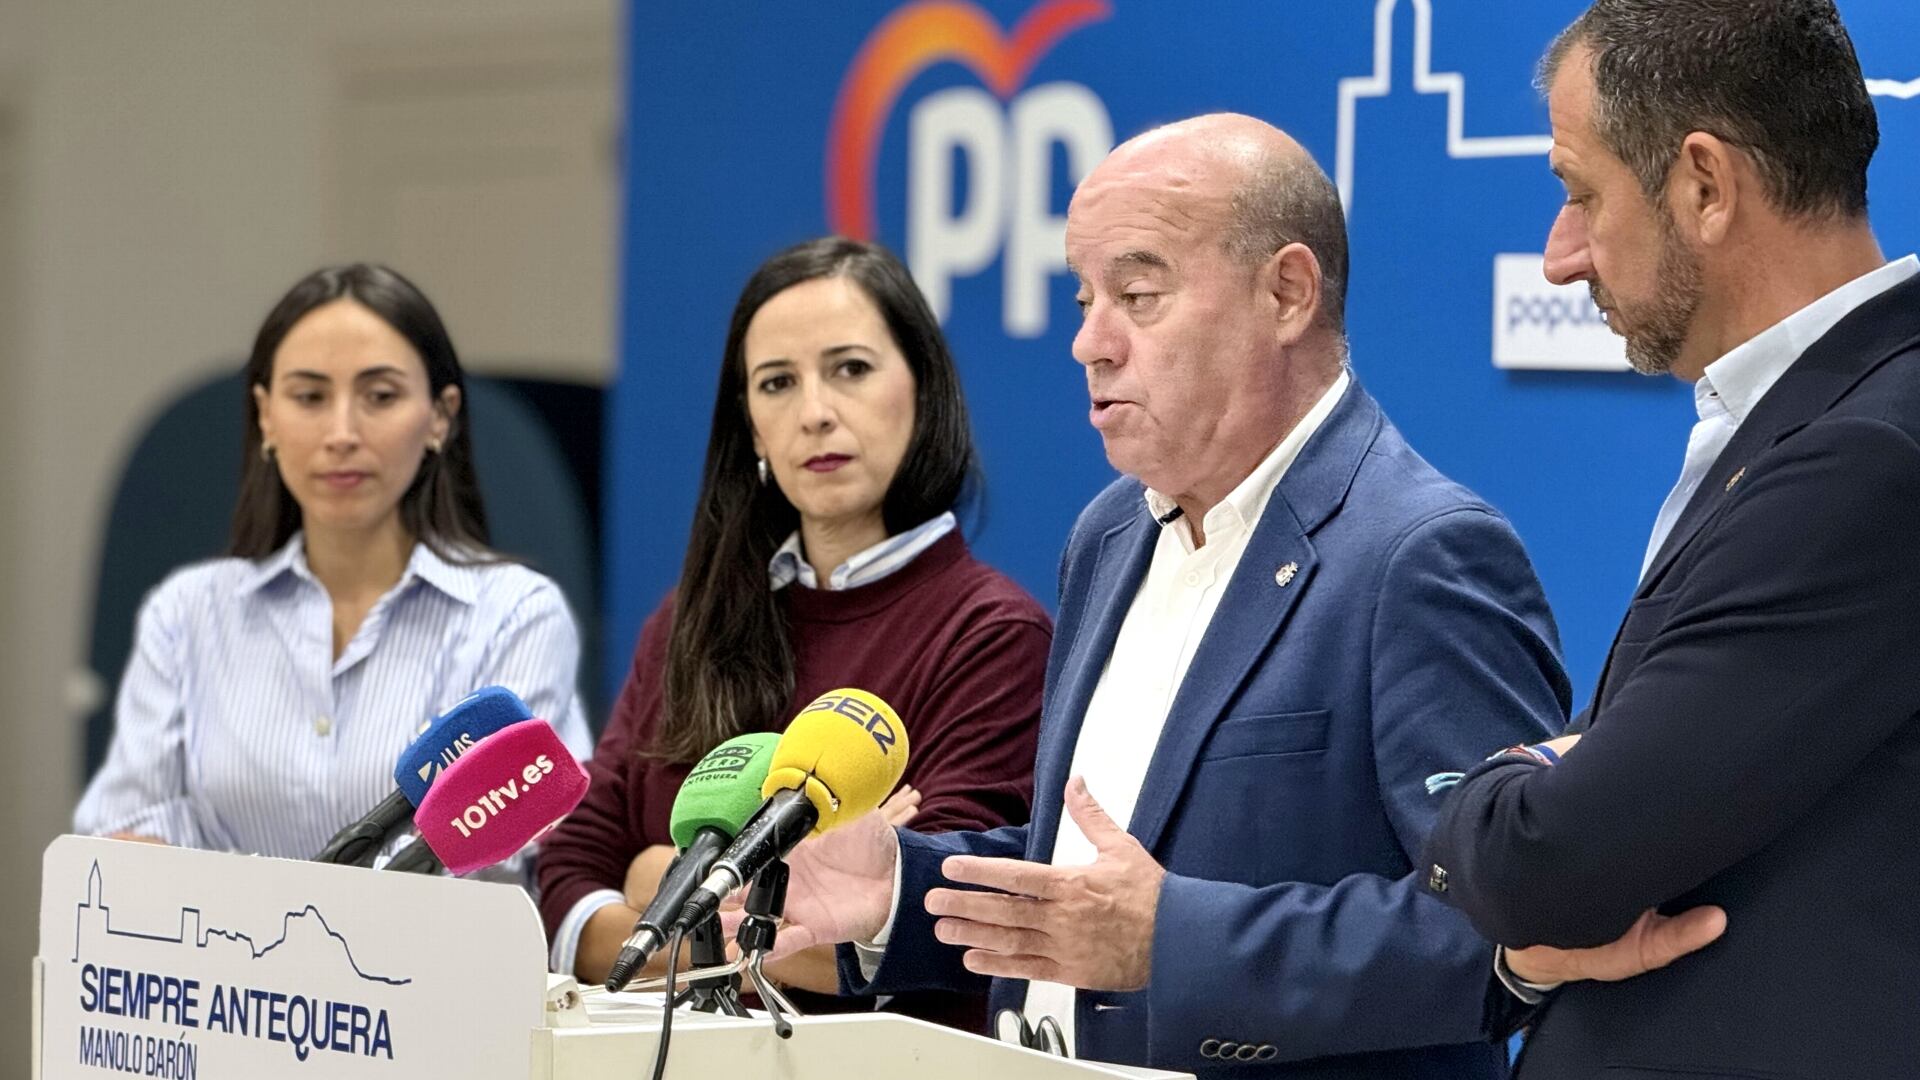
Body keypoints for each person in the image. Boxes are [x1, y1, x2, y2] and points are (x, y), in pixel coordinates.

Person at [760, 114, 1571, 1078]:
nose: (1089, 344)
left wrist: (1172, 942)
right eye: (1083, 297)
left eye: (1138, 295)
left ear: (1287, 293)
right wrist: (901, 889)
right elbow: (1099, 867)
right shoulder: (1108, 535)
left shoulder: (1421, 554)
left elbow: (1501, 930)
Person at [1420, 2, 1920, 1076]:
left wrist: (1486, 789)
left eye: (1578, 192)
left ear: (1703, 184)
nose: (1559, 257)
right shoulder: (1826, 422)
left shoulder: (1866, 461)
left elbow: (1549, 860)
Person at [535, 236, 1051, 1031]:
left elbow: (927, 937)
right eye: (777, 383)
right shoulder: (684, 624)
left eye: (850, 369)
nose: (815, 412)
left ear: (921, 390)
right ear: (751, 427)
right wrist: (770, 911)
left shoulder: (992, 636)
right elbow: (570, 880)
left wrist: (656, 885)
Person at [75, 263, 592, 861]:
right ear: (266, 416)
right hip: (212, 950)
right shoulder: (188, 613)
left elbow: (516, 854)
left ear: (440, 416)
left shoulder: (515, 612)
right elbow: (128, 828)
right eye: (310, 397)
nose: (342, 432)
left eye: (380, 396)